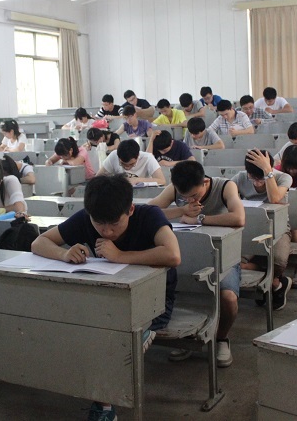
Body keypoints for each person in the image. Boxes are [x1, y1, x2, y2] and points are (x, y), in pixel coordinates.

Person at [31, 175, 180, 421]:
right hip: (106, 300)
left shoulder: (150, 215)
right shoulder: (86, 218)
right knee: (81, 327)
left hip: (154, 301)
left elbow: (173, 255)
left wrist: (120, 256)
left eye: (114, 224)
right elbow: (39, 242)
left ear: (130, 210)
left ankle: (104, 406)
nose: (107, 231)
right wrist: (63, 253)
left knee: (108, 339)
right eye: (99, 224)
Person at [149, 160, 245, 367]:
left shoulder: (225, 186)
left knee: (228, 298)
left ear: (205, 182)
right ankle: (189, 338)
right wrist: (181, 211)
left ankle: (221, 339)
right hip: (187, 254)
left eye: (194, 195)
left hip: (223, 256)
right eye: (184, 197)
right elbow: (149, 212)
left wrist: (200, 219)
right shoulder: (176, 189)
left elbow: (239, 218)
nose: (189, 199)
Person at [231, 149, 296, 309]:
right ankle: (276, 283)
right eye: (253, 178)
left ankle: (270, 281)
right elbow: (226, 197)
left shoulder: (283, 178)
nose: (257, 183)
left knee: (279, 260)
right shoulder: (240, 177)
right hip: (249, 227)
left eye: (261, 179)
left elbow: (274, 198)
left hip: (277, 227)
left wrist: (268, 172)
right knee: (234, 261)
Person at [96, 140, 165, 186]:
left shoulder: (148, 158)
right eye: (123, 164)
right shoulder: (114, 155)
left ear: (138, 156)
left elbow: (162, 181)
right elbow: (97, 178)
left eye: (131, 164)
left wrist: (137, 180)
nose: (127, 167)